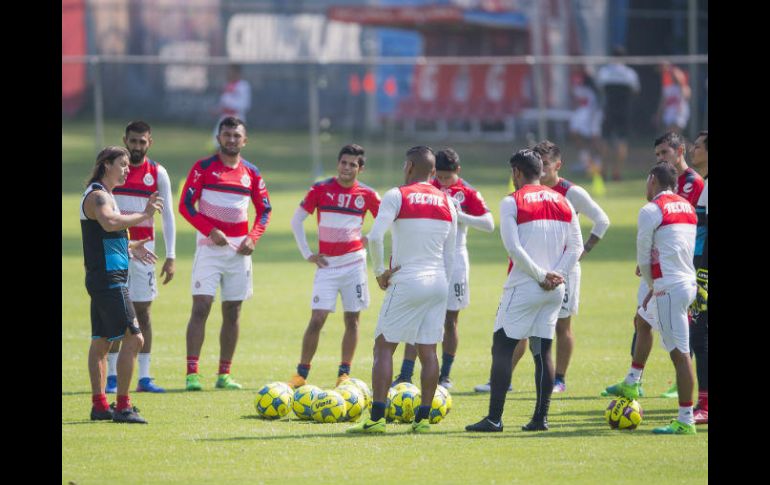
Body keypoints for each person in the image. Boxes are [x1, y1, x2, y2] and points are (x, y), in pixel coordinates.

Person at [466, 149, 582, 433]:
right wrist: (558, 275)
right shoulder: (562, 200)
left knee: (502, 348)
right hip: (555, 288)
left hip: (524, 285)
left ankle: (494, 418)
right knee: (543, 351)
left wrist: (541, 275)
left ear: (517, 172)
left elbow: (513, 248)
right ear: (541, 171)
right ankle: (540, 418)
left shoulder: (512, 201)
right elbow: (576, 246)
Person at [347, 146, 457, 434]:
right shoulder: (447, 201)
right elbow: (452, 252)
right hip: (438, 281)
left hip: (407, 279)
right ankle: (422, 419)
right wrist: (443, 284)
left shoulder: (398, 194)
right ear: (433, 172)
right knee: (428, 350)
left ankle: (377, 418)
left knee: (384, 346)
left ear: (408, 166)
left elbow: (374, 237)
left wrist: (380, 272)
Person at [607, 131, 704, 399]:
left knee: (680, 344)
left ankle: (684, 401)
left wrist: (651, 263)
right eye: (659, 155)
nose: (662, 158)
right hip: (670, 269)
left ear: (679, 151)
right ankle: (633, 379)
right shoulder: (674, 197)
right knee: (641, 319)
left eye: (665, 153)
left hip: (673, 272)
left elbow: (685, 232)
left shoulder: (692, 185)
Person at [179, 116, 272, 391]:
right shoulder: (203, 167)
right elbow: (186, 205)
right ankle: (192, 374)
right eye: (227, 134)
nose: (231, 139)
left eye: (236, 135)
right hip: (209, 250)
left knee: (233, 311)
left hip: (238, 253)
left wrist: (253, 238)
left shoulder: (252, 173)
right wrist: (210, 230)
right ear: (219, 138)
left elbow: (264, 209)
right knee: (201, 307)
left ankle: (224, 375)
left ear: (245, 140)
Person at [391, 148, 494, 390]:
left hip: (456, 260)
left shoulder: (467, 193)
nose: (444, 181)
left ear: (458, 171)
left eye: (449, 177)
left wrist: (460, 216)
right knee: (417, 316)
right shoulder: (429, 188)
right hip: (428, 257)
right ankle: (406, 374)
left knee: (450, 320)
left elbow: (489, 224)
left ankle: (444, 376)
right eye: (441, 176)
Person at [287, 144, 381, 389]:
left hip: (354, 265)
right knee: (317, 319)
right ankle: (301, 373)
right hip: (327, 266)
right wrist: (307, 253)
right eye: (343, 163)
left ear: (361, 168)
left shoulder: (368, 195)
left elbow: (387, 219)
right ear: (338, 163)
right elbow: (296, 220)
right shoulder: (320, 189)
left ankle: (344, 373)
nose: (346, 168)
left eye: (352, 164)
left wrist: (369, 238)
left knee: (352, 321)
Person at [81, 146, 163, 424]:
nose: (128, 169)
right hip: (108, 279)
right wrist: (144, 214)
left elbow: (105, 236)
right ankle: (123, 406)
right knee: (135, 338)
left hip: (106, 276)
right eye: (123, 164)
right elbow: (109, 223)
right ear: (106, 165)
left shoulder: (107, 195)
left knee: (102, 341)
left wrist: (131, 246)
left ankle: (100, 405)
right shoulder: (98, 196)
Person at [104, 121, 176, 394]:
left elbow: (167, 215)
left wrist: (170, 256)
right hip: (114, 249)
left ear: (150, 142)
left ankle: (144, 377)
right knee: (114, 312)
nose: (136, 147)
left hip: (145, 253)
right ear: (125, 139)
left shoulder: (157, 173)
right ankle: (111, 376)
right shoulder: (112, 169)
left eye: (141, 142)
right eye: (132, 141)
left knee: (143, 312)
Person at [596, 45, 640, 181]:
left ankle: (603, 171)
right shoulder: (630, 73)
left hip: (609, 110)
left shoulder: (604, 72)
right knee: (622, 141)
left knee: (605, 140)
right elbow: (636, 90)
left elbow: (600, 88)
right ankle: (617, 172)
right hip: (624, 111)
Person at [689, 131, 708, 424]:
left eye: (699, 145)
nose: (694, 149)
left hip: (704, 269)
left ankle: (704, 404)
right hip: (698, 267)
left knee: (700, 332)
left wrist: (702, 273)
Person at [568, 66, 604, 177]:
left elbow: (597, 99)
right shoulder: (575, 81)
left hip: (593, 113)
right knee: (575, 134)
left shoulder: (590, 82)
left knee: (594, 138)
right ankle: (587, 162)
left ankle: (598, 165)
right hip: (581, 113)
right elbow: (574, 97)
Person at [211, 64, 251, 148]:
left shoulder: (243, 86)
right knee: (217, 143)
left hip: (236, 118)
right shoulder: (227, 85)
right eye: (228, 71)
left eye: (231, 71)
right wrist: (218, 109)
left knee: (232, 146)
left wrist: (229, 105)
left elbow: (245, 104)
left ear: (237, 73)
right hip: (224, 117)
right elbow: (224, 101)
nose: (229, 74)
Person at [655, 62, 691, 133]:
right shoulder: (668, 88)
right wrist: (658, 115)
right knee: (670, 136)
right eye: (672, 75)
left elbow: (687, 95)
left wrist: (679, 78)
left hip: (679, 114)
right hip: (669, 114)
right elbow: (662, 103)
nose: (674, 77)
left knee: (673, 134)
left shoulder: (684, 87)